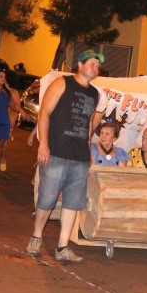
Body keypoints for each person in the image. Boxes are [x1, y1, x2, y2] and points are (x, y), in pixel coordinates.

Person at [27, 49, 103, 263]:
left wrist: (88, 149)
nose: (95, 68)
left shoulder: (94, 94)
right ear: (80, 65)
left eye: (97, 65)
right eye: (91, 64)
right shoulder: (62, 83)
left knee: (72, 202)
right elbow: (44, 113)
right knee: (47, 199)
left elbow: (88, 123)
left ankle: (63, 247)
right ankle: (36, 236)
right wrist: (43, 144)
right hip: (56, 153)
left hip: (79, 156)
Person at [0, 68, 28, 179]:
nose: (3, 79)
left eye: (4, 77)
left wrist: (22, 112)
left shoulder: (6, 92)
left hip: (3, 122)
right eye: (1, 76)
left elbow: (13, 105)